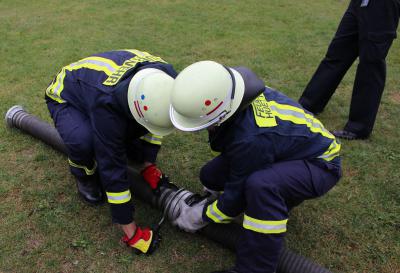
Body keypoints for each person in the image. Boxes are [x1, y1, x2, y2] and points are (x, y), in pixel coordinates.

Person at [169, 61, 342, 273]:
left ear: (221, 113)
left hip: (320, 164)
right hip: (287, 149)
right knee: (210, 175)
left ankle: (255, 268)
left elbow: (233, 198)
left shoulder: (251, 139)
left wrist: (201, 216)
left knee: (261, 186)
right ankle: (280, 195)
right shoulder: (234, 92)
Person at [45, 49, 177, 254]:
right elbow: (112, 170)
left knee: (132, 146)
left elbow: (156, 123)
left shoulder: (167, 80)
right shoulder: (107, 106)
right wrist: (132, 233)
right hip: (67, 94)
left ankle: (131, 149)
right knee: (84, 142)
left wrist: (148, 165)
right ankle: (84, 176)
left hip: (101, 87)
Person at [299, 0, 400, 140]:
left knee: (370, 65)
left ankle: (359, 128)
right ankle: (308, 104)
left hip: (383, 6)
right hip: (359, 3)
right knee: (336, 54)